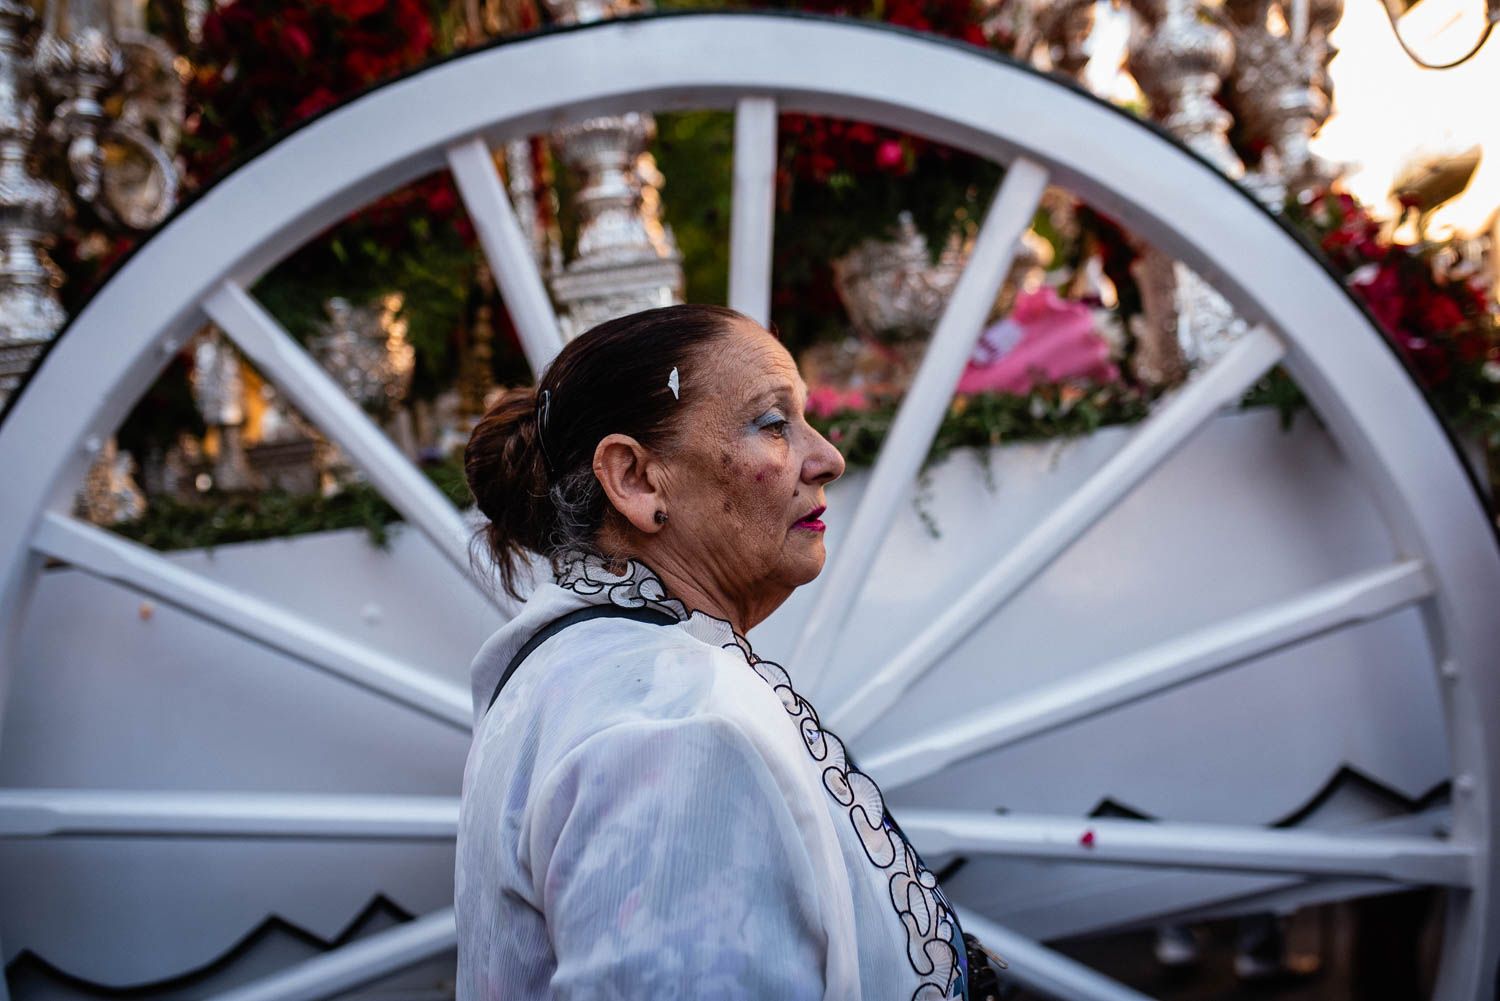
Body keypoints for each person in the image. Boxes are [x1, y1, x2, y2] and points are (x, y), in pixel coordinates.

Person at [456, 304, 993, 999]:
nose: (827, 457)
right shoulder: (674, 732)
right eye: (773, 423)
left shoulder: (570, 666)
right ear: (638, 479)